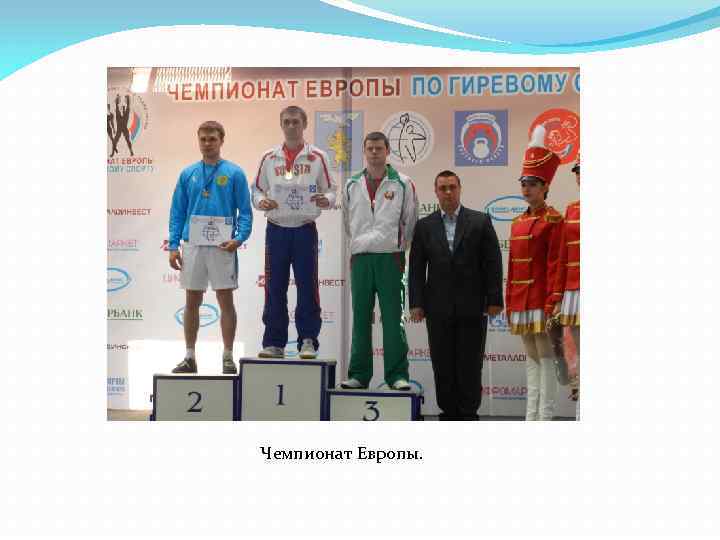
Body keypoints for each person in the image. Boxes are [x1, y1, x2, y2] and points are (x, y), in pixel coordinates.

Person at [408, 170, 503, 420]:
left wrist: (494, 299)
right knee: (442, 363)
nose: (448, 192)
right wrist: (416, 303)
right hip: (437, 307)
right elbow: (416, 267)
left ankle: (469, 413)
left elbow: (493, 262)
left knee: (470, 363)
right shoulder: (424, 226)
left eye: (452, 187)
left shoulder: (480, 221)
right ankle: (447, 413)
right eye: (443, 188)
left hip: (473, 306)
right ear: (436, 192)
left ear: (460, 189)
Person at [168, 121, 253, 374]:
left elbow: (245, 212)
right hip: (193, 244)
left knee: (225, 300)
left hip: (222, 245)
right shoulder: (188, 173)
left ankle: (227, 356)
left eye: (212, 139)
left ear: (221, 140)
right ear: (198, 141)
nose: (207, 144)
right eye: (203, 139)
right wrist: (173, 245)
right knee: (192, 300)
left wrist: (239, 238)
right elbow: (177, 212)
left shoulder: (235, 173)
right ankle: (189, 356)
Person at [252, 106, 336, 359]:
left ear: (304, 124)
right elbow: (256, 190)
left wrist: (327, 200)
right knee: (274, 287)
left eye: (295, 122)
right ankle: (274, 342)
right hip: (276, 229)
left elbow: (331, 190)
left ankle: (308, 340)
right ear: (281, 124)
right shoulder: (269, 157)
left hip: (304, 229)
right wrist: (261, 202)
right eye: (286, 122)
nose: (291, 126)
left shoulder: (318, 156)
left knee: (307, 286)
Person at [340, 132, 419, 391]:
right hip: (361, 258)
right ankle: (359, 375)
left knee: (394, 320)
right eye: (370, 148)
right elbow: (347, 222)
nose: (374, 152)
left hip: (390, 258)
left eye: (379, 148)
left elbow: (410, 220)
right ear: (364, 151)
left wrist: (397, 246)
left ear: (387, 151)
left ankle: (397, 375)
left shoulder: (403, 183)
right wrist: (361, 243)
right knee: (361, 319)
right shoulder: (352, 184)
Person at [506, 125, 563, 421]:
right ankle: (531, 417)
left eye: (532, 183)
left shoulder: (554, 220)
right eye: (523, 183)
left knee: (546, 355)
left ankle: (546, 418)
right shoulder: (516, 222)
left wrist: (554, 299)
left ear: (545, 186)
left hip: (542, 298)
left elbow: (556, 263)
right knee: (531, 356)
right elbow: (512, 266)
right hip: (521, 300)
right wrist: (510, 302)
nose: (526, 188)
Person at [551, 155, 581, 420]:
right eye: (578, 170)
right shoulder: (571, 210)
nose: (580, 175)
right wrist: (558, 296)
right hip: (575, 292)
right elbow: (562, 256)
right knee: (579, 355)